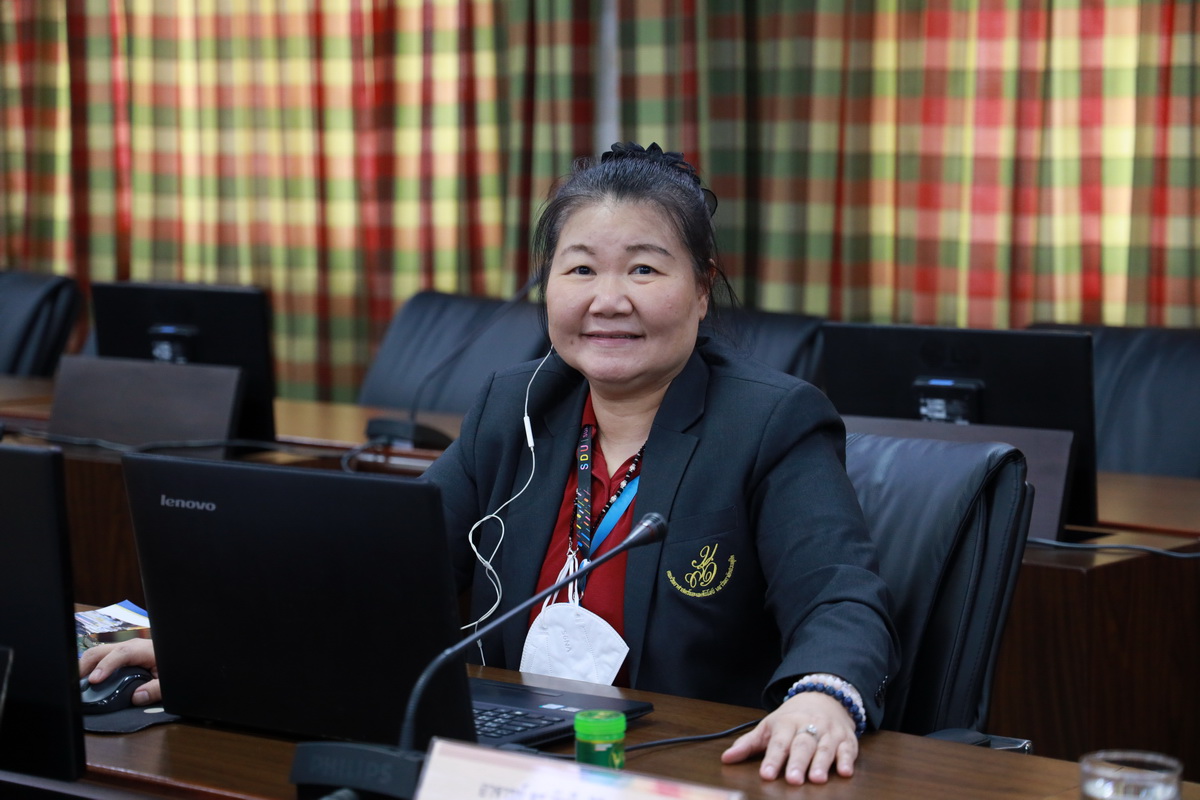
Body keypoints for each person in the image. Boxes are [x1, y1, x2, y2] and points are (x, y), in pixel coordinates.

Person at [81, 142, 899, 786]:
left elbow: (842, 599)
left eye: (644, 268)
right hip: (510, 763)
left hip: (679, 769)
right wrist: (216, 646)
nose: (607, 299)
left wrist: (822, 694)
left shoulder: (770, 421)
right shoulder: (519, 404)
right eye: (580, 269)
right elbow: (383, 575)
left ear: (701, 287)